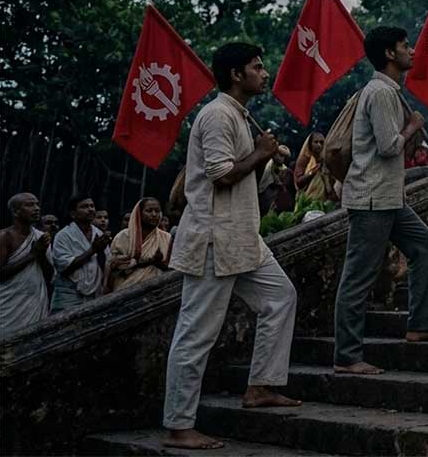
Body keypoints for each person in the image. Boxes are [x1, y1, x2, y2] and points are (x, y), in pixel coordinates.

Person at [163, 42, 300, 451]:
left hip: (242, 236)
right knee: (196, 334)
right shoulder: (217, 115)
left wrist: (268, 160)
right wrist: (260, 154)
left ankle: (261, 385)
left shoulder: (239, 115)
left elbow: (241, 176)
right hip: (212, 237)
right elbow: (221, 175)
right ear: (237, 75)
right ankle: (178, 426)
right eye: (258, 67)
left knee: (281, 296)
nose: (265, 72)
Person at [333, 26, 428, 375]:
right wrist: (412, 126)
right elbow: (387, 147)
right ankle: (347, 357)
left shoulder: (390, 92)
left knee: (425, 246)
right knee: (359, 276)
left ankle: (421, 325)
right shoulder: (381, 93)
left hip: (388, 198)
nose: (411, 50)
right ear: (389, 54)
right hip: (370, 199)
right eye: (404, 45)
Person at [0, 193, 52, 331]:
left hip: (35, 302)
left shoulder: (41, 237)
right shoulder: (4, 237)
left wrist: (40, 254)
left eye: (37, 204)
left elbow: (49, 275)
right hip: (9, 305)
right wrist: (32, 255)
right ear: (16, 211)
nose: (36, 208)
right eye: (30, 205)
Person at [49, 193, 108, 313]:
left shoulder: (99, 234)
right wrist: (93, 250)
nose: (90, 209)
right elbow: (64, 267)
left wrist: (100, 251)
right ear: (73, 214)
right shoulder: (63, 235)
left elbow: (105, 263)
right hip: (69, 294)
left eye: (92, 206)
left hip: (94, 293)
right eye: (85, 206)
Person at [108, 197, 172, 292]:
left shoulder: (167, 237)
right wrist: (147, 261)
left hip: (156, 293)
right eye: (149, 211)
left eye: (157, 211)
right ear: (139, 214)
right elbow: (114, 266)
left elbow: (172, 268)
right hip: (126, 290)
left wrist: (159, 263)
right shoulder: (123, 236)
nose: (154, 214)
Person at [294, 132, 336, 202]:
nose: (319, 145)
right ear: (310, 144)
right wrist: (312, 172)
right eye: (316, 142)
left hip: (324, 202)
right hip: (307, 201)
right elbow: (298, 182)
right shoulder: (305, 158)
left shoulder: (325, 160)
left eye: (321, 142)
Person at [257, 145, 293, 215]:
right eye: (278, 154)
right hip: (263, 192)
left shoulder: (284, 170)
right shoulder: (267, 164)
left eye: (283, 156)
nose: (280, 158)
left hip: (275, 196)